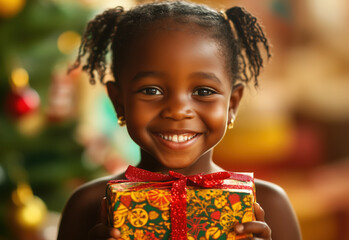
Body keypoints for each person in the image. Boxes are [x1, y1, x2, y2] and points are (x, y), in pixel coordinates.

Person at [57, 1, 301, 239]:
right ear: (119, 102)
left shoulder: (269, 204)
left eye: (203, 92)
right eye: (151, 90)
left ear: (232, 104)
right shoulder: (87, 205)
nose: (177, 110)